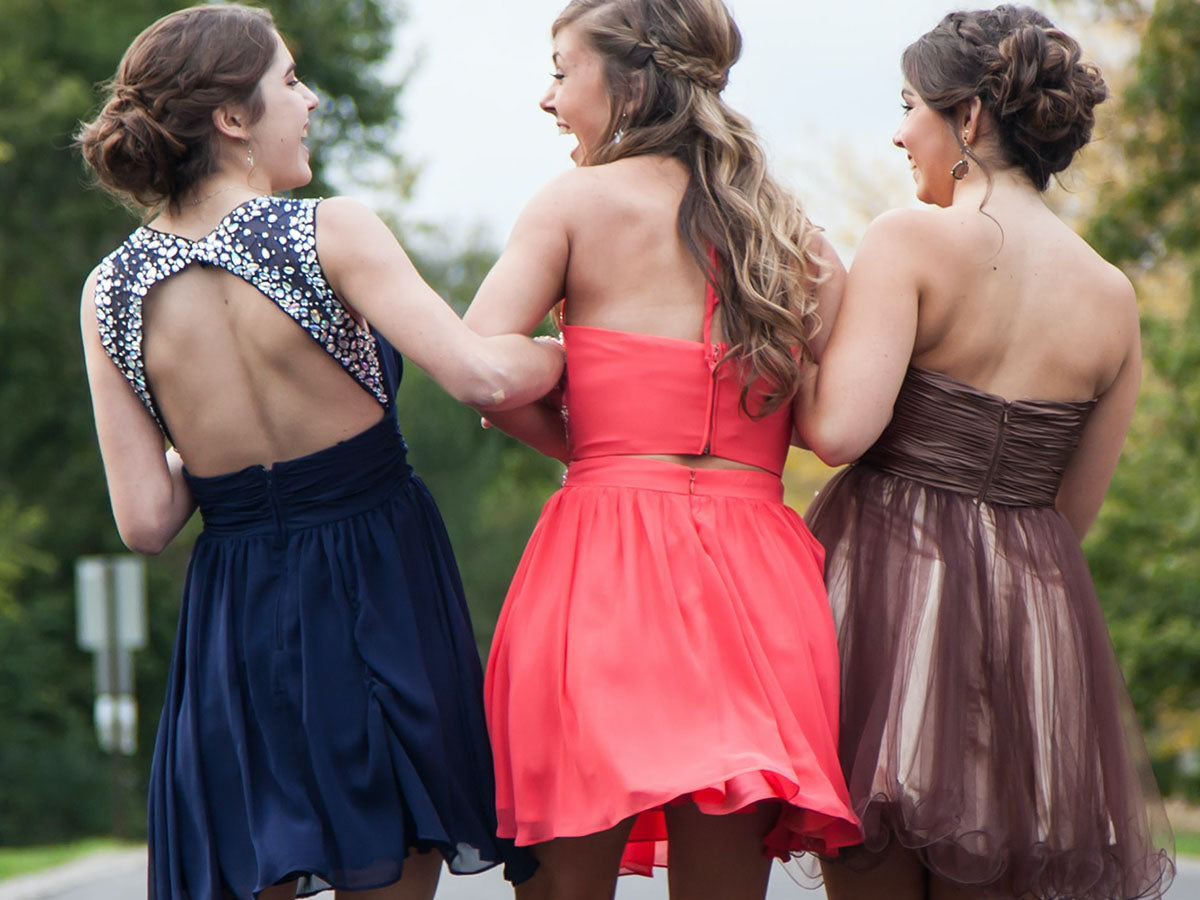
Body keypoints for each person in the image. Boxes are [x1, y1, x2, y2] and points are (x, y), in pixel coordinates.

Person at [75, 5, 561, 898]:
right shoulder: (326, 230)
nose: (312, 100)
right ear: (231, 118)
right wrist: (573, 354)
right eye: (290, 81)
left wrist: (211, 448)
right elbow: (484, 380)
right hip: (378, 578)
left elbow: (145, 521)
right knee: (392, 848)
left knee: (254, 849)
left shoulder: (110, 292)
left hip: (237, 607)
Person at [462, 0, 860, 897]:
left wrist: (575, 407)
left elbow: (476, 367)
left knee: (564, 883)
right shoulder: (793, 235)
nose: (546, 98)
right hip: (759, 576)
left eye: (562, 72)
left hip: (602, 563)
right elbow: (843, 404)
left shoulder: (573, 204)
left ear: (631, 80)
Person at [794, 5, 1175, 899]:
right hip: (1025, 611)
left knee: (876, 851)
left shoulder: (907, 238)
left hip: (888, 591)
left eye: (909, 107)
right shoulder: (1114, 297)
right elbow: (1069, 514)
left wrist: (813, 327)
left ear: (968, 118)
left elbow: (839, 430)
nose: (898, 134)